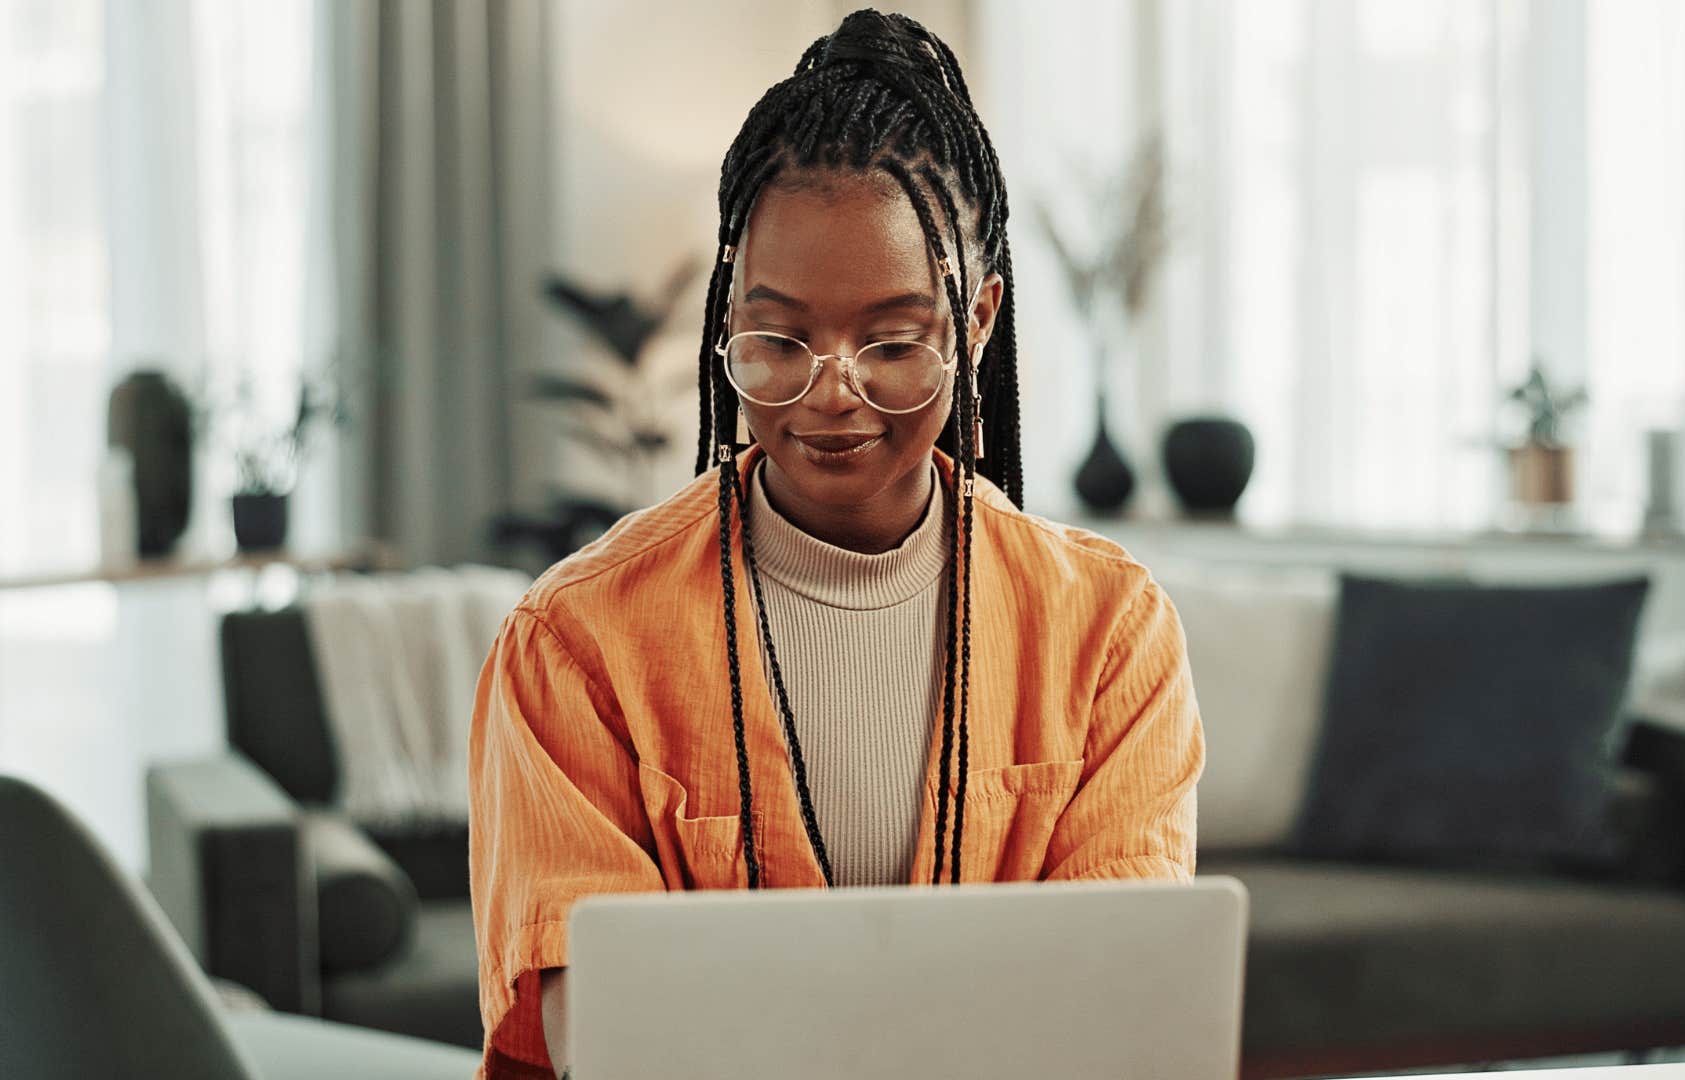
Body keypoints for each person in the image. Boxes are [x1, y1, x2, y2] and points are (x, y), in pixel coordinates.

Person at [467, 10, 1204, 1078]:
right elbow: (609, 1039)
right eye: (780, 339)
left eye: (894, 341)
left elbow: (1115, 1018)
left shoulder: (1110, 632)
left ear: (979, 320)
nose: (832, 393)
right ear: (727, 321)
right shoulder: (575, 641)